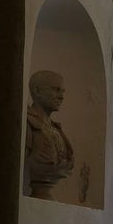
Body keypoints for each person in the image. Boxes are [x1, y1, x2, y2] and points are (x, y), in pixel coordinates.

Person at [24, 70, 74, 199]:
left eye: (63, 92)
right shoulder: (26, 123)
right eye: (56, 90)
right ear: (37, 91)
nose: (61, 96)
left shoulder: (56, 129)